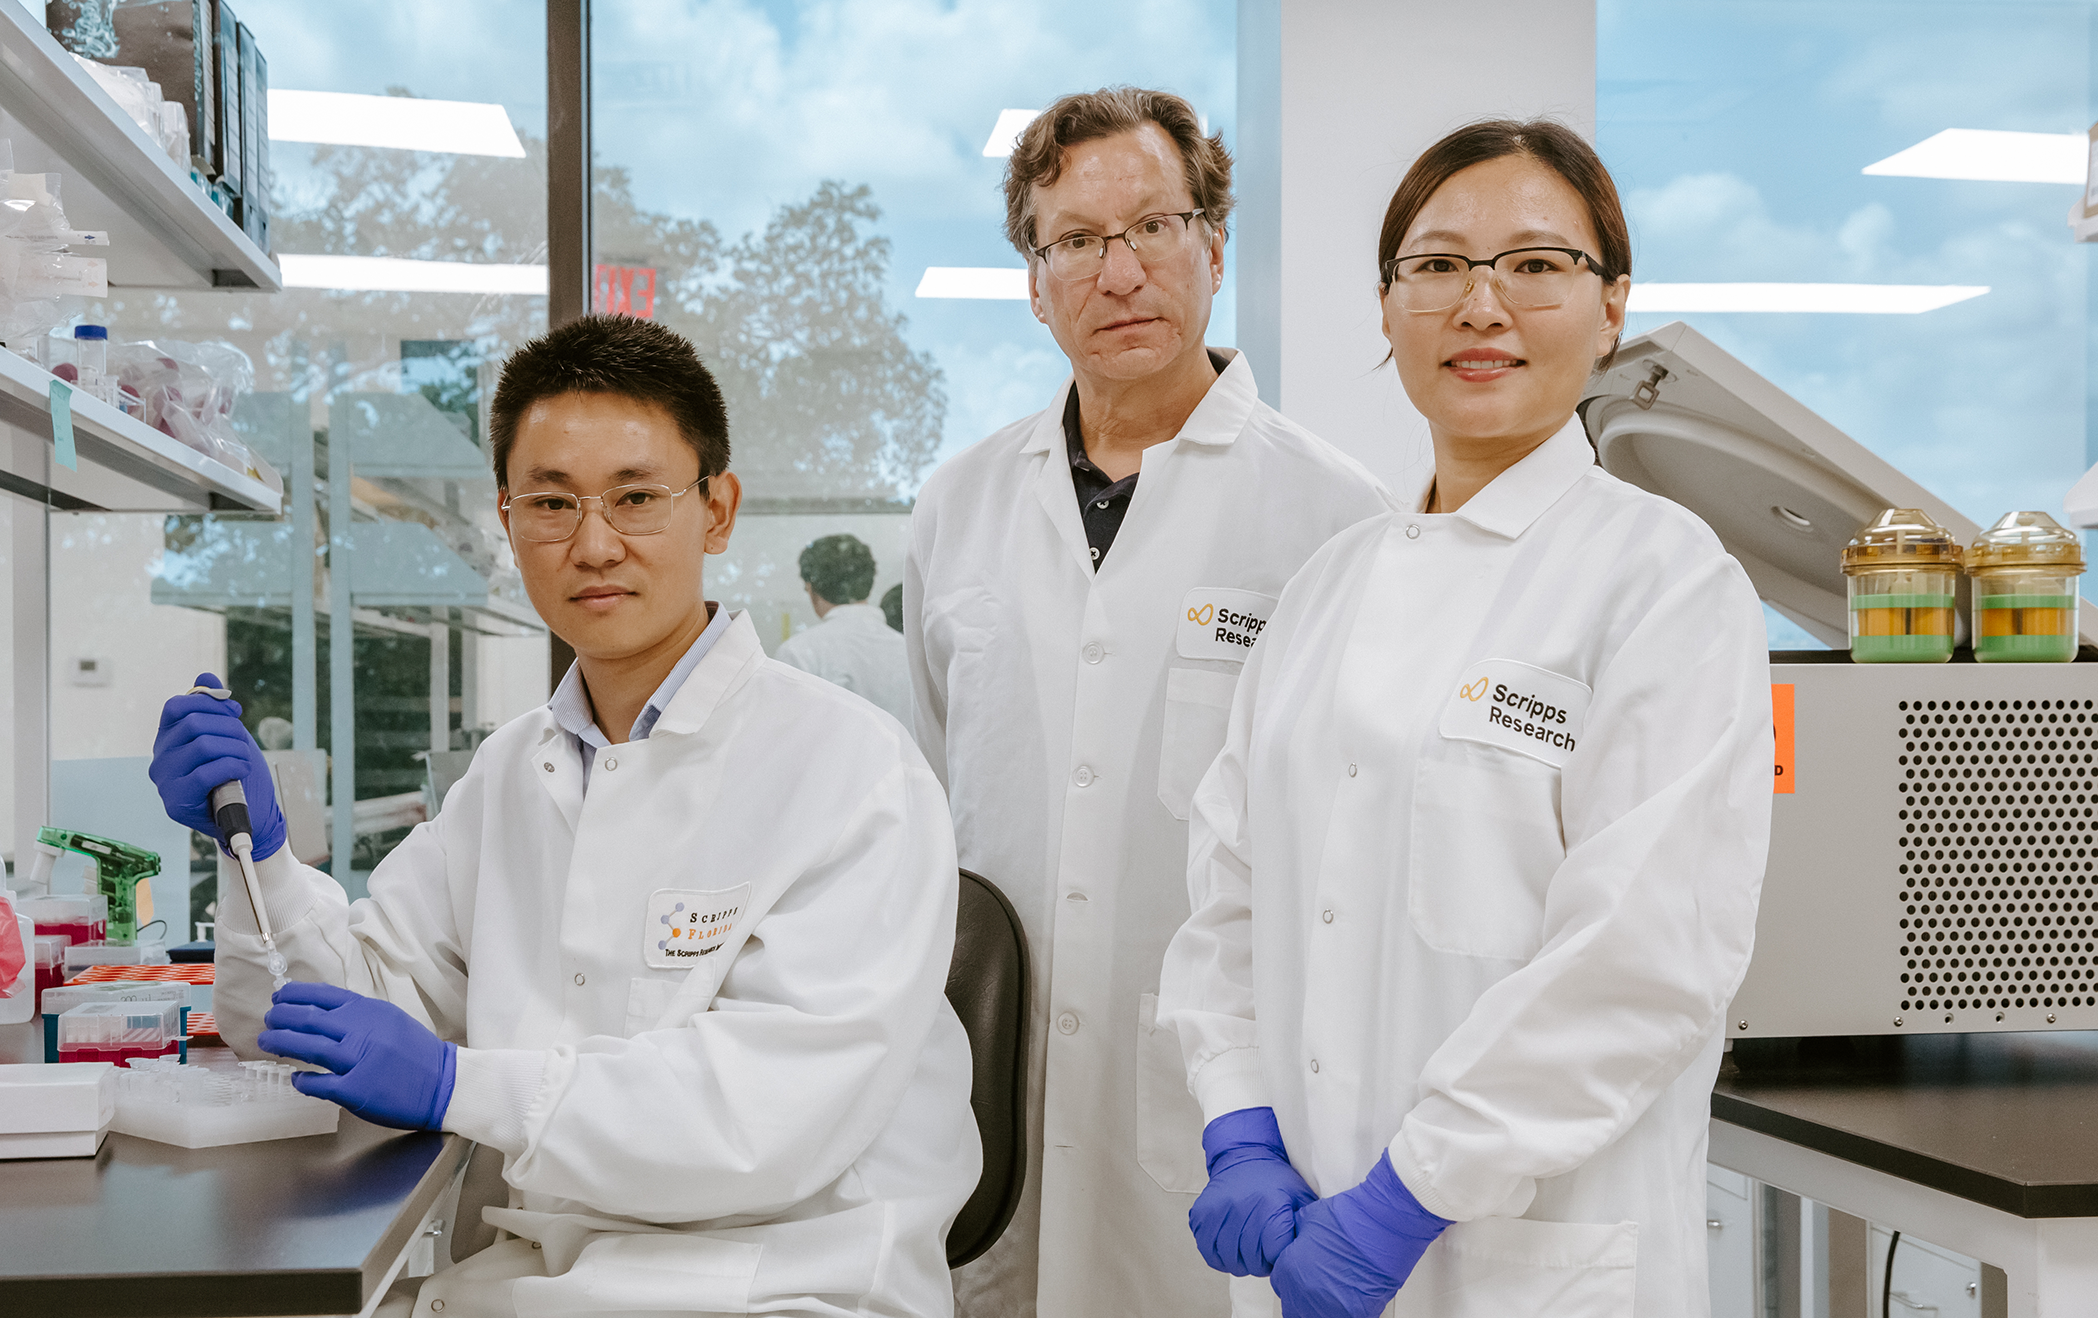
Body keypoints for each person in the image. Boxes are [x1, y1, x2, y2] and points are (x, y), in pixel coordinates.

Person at [149, 315, 979, 1318]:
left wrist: (461, 1085)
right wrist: (261, 860)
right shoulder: (510, 775)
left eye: (636, 497)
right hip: (533, 1281)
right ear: (508, 518)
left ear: (717, 510)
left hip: (784, 1283)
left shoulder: (853, 771)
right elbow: (330, 1015)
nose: (593, 543)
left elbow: (763, 1116)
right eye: (551, 502)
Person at [1157, 120, 1774, 1318]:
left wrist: (1402, 1199)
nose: (1479, 304)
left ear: (1611, 308)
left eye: (1536, 265)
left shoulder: (1664, 581)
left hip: (1527, 1256)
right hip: (1298, 1245)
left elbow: (1639, 960)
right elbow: (1227, 888)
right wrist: (1238, 1122)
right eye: (1434, 266)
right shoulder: (1326, 587)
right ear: (1387, 310)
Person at [906, 87, 1391, 1318]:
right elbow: (930, 802)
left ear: (1212, 248)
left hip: (1223, 1110)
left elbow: (1359, 853)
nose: (1116, 271)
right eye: (1074, 240)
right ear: (1033, 277)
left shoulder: (1337, 520)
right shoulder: (956, 508)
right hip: (985, 1079)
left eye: (1151, 229)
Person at [775, 532, 912, 723]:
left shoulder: (799, 653)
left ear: (811, 587)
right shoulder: (909, 652)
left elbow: (787, 732)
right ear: (868, 581)